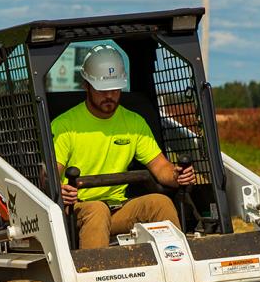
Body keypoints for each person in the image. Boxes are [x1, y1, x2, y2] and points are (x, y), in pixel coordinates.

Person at [52, 46, 195, 250]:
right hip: (78, 209)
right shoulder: (65, 125)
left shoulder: (134, 123)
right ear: (86, 85)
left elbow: (160, 166)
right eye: (103, 90)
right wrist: (59, 190)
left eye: (116, 88)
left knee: (159, 203)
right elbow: (50, 175)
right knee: (97, 210)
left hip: (118, 208)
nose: (110, 95)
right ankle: (97, 276)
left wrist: (176, 175)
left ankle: (179, 270)